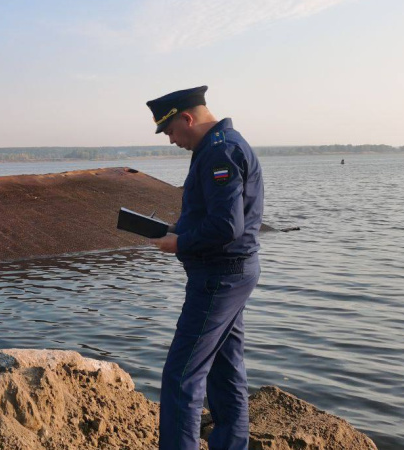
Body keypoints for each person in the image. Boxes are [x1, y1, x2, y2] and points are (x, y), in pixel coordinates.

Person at [146, 86, 264, 450]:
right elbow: (215, 216)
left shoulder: (218, 151)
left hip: (219, 277)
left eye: (169, 132)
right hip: (230, 273)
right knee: (226, 371)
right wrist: (178, 229)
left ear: (187, 118)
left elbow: (228, 227)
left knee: (182, 375)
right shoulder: (222, 145)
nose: (171, 141)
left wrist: (179, 242)